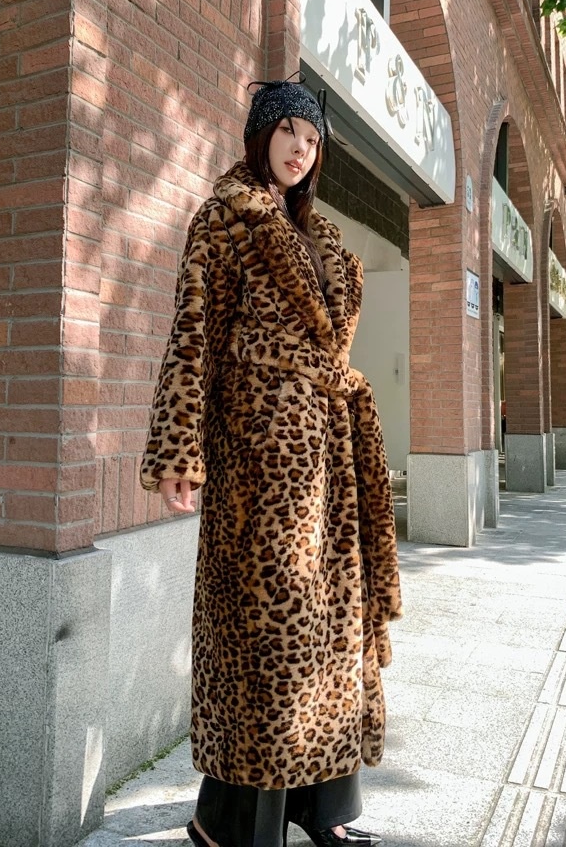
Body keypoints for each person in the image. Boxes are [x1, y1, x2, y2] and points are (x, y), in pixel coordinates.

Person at [140, 78, 403, 847]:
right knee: (267, 640)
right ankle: (235, 826)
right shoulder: (226, 219)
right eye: (288, 131)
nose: (301, 148)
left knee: (329, 640)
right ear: (260, 135)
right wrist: (180, 450)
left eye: (313, 139)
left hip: (329, 463)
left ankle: (323, 810)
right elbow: (193, 336)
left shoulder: (323, 239)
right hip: (258, 459)